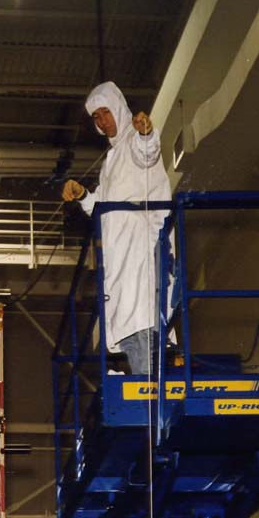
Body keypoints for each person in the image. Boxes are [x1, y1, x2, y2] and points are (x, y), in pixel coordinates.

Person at [61, 81, 171, 377]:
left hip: (139, 244)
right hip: (119, 252)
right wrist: (84, 195)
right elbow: (105, 206)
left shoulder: (134, 141)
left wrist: (147, 132)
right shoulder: (110, 158)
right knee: (128, 320)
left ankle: (148, 386)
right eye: (96, 117)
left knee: (143, 316)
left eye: (105, 113)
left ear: (119, 109)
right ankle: (141, 378)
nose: (102, 121)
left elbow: (147, 153)